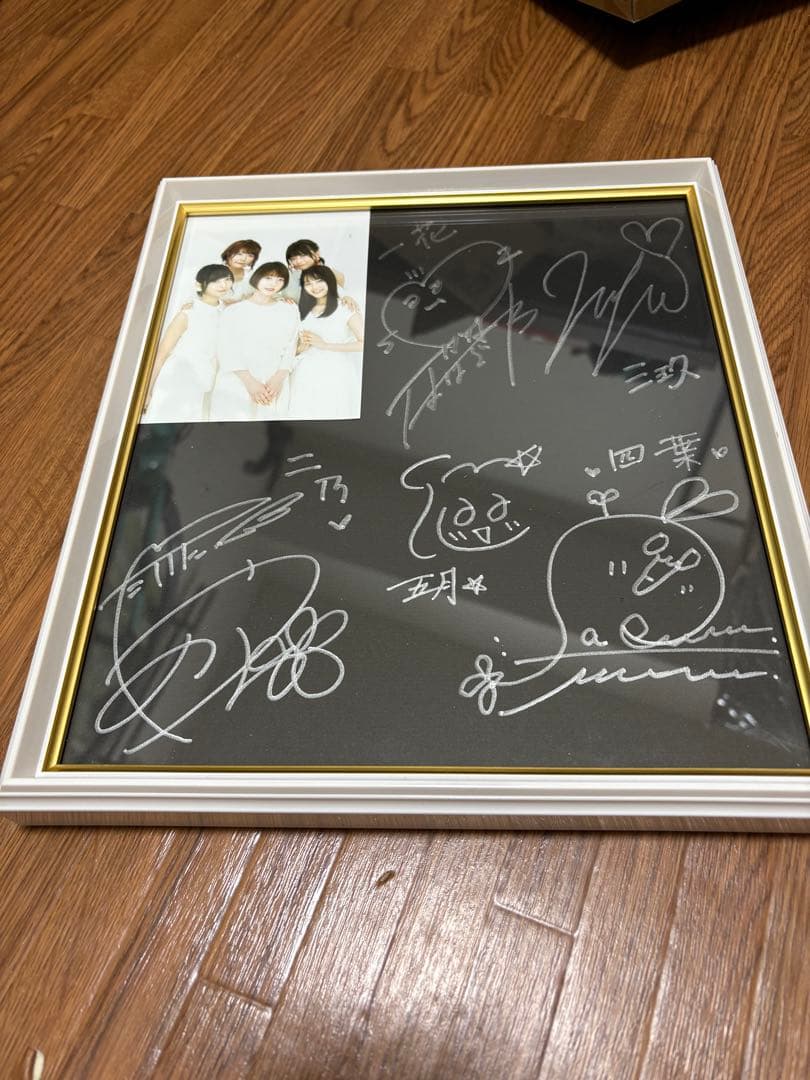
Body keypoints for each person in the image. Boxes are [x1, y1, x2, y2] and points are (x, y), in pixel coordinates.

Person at [209, 261, 300, 420]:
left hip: (273, 383)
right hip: (237, 380)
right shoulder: (233, 311)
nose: (273, 284)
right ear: (256, 278)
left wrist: (278, 379)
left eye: (280, 280)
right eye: (268, 278)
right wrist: (250, 383)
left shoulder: (289, 310)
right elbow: (226, 349)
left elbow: (291, 346)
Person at [144, 264, 233, 421]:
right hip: (176, 378)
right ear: (200, 284)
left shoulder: (227, 314)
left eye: (227, 279)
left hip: (202, 381)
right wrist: (146, 391)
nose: (223, 285)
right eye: (216, 281)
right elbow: (161, 354)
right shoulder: (188, 313)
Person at [288, 265, 363, 419]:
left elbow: (364, 343)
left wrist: (325, 345)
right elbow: (292, 346)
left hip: (335, 372)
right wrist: (300, 348)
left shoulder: (345, 307)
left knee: (332, 412)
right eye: (308, 283)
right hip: (304, 374)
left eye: (319, 281)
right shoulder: (301, 310)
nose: (315, 287)